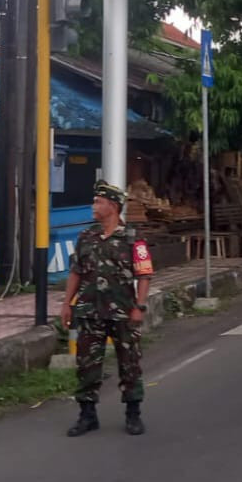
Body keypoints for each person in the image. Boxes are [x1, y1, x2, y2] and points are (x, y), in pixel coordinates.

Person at [61, 180, 154, 436]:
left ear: (112, 206)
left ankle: (133, 414)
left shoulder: (134, 238)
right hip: (89, 312)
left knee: (130, 364)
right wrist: (67, 304)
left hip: (124, 312)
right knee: (87, 364)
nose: (93, 206)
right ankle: (87, 415)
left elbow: (144, 275)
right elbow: (75, 272)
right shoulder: (86, 237)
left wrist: (140, 306)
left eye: (98, 202)